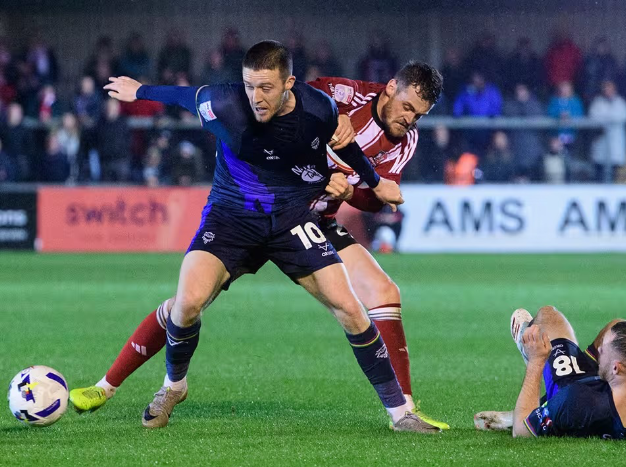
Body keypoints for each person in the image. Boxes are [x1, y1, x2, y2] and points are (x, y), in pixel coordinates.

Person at [71, 40, 433, 432]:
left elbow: (351, 152)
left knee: (350, 306)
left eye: (266, 88)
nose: (256, 98)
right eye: (249, 86)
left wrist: (372, 184)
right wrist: (140, 91)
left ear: (289, 84)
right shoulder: (225, 102)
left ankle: (400, 413)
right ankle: (171, 386)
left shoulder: (320, 110)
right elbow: (185, 96)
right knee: (187, 303)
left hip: (293, 218)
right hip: (232, 218)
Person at [474, 306, 626, 440]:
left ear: (616, 367)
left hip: (573, 381)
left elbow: (522, 432)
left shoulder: (576, 400)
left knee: (547, 315)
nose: (599, 349)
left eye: (604, 349)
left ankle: (537, 404)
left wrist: (536, 361)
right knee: (619, 324)